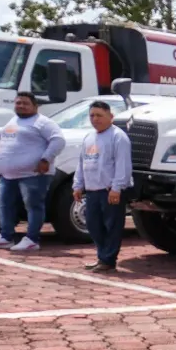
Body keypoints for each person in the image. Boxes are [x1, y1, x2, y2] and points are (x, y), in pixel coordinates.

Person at [0, 92, 64, 252]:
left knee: (33, 206)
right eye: (18, 103)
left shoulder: (43, 123)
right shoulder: (15, 120)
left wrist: (45, 159)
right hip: (8, 175)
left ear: (35, 106)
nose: (21, 106)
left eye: (25, 103)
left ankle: (32, 239)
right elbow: (3, 132)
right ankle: (5, 237)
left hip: (33, 175)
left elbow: (58, 140)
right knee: (4, 204)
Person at [72, 99, 133, 272]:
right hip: (92, 191)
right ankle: (102, 256)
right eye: (92, 115)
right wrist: (78, 185)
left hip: (109, 191)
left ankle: (108, 259)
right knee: (93, 225)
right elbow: (82, 163)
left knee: (112, 226)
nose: (95, 119)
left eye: (99, 115)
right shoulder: (89, 138)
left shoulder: (118, 136)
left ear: (110, 116)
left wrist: (117, 187)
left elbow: (123, 165)